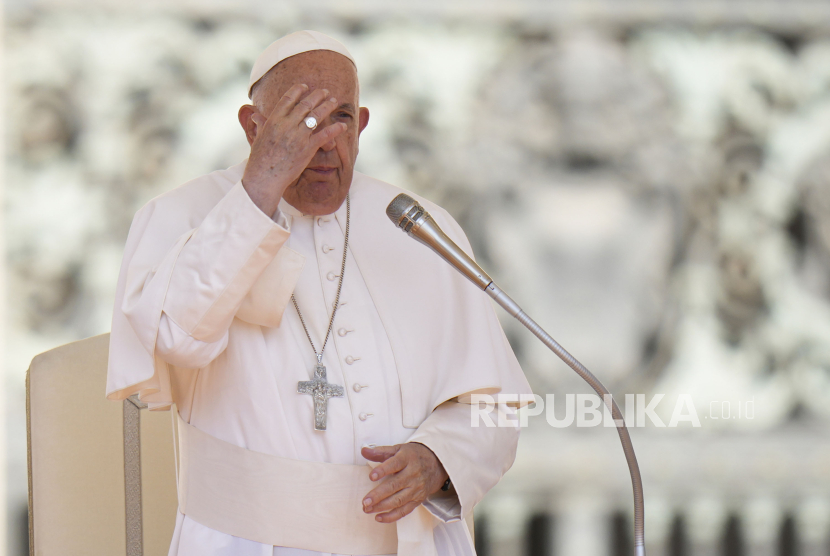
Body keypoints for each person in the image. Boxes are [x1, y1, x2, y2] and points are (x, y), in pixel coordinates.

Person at [106, 30, 532, 556]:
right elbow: (174, 338)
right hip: (243, 542)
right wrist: (259, 188)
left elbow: (494, 408)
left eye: (340, 118)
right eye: (300, 119)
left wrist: (443, 458)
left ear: (363, 125)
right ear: (252, 126)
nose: (324, 141)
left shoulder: (419, 226)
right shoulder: (179, 216)